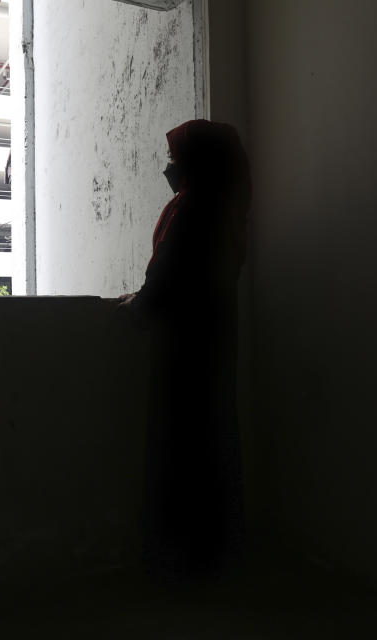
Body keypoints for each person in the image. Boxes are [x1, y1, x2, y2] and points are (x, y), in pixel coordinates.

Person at [119, 119, 252, 583]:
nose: (171, 166)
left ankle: (185, 560)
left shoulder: (198, 209)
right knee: (209, 441)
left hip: (186, 346)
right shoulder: (225, 208)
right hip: (211, 340)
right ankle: (210, 556)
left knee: (184, 447)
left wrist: (140, 307)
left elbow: (172, 274)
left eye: (178, 158)